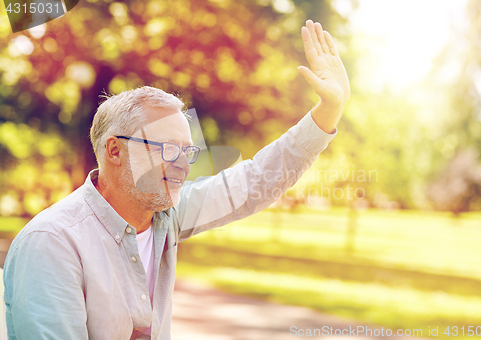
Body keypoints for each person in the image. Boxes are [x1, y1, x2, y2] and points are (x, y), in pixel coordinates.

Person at [3, 20, 350, 339]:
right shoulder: (52, 243)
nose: (183, 164)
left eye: (188, 151)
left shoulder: (165, 214)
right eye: (168, 149)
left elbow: (255, 182)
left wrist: (328, 111)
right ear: (114, 151)